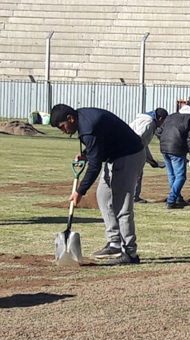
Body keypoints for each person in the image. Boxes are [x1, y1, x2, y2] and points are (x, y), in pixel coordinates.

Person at [50, 104, 145, 265]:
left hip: (129, 156)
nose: (63, 131)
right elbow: (101, 144)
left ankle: (129, 252)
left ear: (70, 118)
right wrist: (87, 155)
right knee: (103, 196)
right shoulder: (83, 119)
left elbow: (95, 166)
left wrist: (80, 192)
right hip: (114, 156)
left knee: (121, 206)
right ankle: (114, 242)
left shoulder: (88, 127)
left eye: (62, 127)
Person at [157, 100, 190, 209]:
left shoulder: (171, 116)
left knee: (172, 175)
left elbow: (158, 131)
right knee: (180, 177)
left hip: (164, 148)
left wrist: (165, 142)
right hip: (177, 150)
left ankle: (177, 198)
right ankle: (171, 200)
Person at [129, 108, 169, 203]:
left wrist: (151, 160)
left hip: (130, 149)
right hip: (130, 150)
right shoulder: (149, 123)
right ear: (160, 118)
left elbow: (143, 144)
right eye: (164, 121)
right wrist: (149, 160)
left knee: (133, 174)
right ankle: (133, 197)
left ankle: (132, 196)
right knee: (136, 173)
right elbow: (138, 140)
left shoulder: (145, 121)